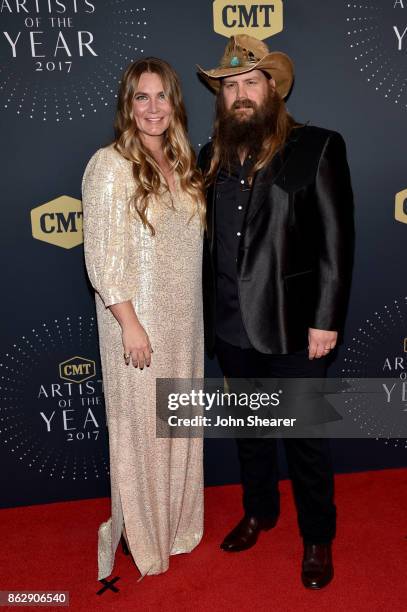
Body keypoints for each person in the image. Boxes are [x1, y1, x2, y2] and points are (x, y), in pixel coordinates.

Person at [197, 35, 354, 589]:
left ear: (273, 89)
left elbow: (337, 242)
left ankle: (317, 537)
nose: (240, 94)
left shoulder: (318, 146)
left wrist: (326, 319)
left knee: (306, 441)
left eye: (250, 82)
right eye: (230, 86)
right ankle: (260, 511)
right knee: (251, 433)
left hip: (293, 327)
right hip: (231, 326)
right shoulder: (208, 155)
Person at [82, 57, 206, 581]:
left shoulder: (184, 163)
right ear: (127, 105)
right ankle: (142, 536)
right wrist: (129, 323)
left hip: (185, 322)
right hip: (138, 320)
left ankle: (176, 526)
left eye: (161, 97)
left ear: (175, 103)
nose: (153, 108)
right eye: (141, 97)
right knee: (142, 431)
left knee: (178, 425)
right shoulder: (109, 165)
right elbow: (103, 257)